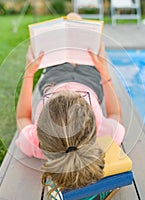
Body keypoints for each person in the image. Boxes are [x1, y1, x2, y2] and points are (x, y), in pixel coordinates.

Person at [15, 13, 125, 196]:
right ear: (91, 121)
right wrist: (104, 72)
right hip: (89, 79)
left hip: (55, 77)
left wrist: (29, 73)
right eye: (80, 98)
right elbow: (115, 115)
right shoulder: (103, 137)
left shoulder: (36, 143)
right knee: (77, 25)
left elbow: (21, 118)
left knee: (69, 22)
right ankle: (75, 22)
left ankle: (71, 22)